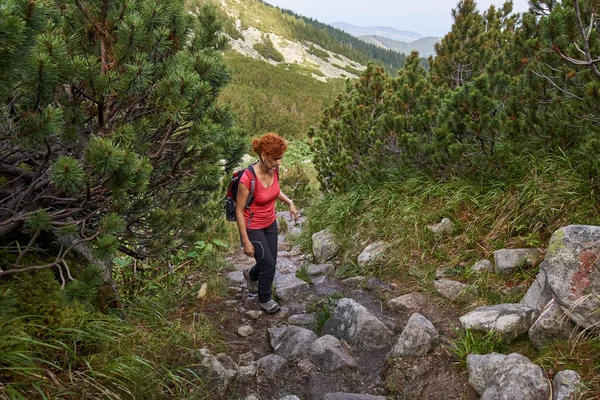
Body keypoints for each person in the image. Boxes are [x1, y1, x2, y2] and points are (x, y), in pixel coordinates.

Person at [235, 133, 298, 314]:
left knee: (270, 260)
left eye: (281, 158)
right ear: (264, 156)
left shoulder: (274, 170)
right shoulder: (247, 179)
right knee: (269, 265)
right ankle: (265, 299)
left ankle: (251, 275)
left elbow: (274, 190)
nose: (279, 162)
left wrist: (290, 202)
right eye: (276, 158)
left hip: (270, 223)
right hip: (253, 227)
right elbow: (239, 211)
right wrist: (246, 241)